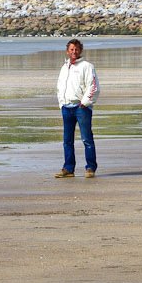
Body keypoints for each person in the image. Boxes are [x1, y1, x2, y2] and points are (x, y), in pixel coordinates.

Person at [55, 38, 98, 178]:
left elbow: (93, 87)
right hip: (66, 107)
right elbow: (60, 86)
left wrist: (84, 103)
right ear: (67, 51)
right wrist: (61, 103)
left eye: (77, 49)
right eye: (72, 49)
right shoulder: (64, 67)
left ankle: (90, 167)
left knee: (86, 139)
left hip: (81, 107)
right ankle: (68, 168)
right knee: (67, 141)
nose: (74, 52)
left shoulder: (87, 66)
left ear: (80, 50)